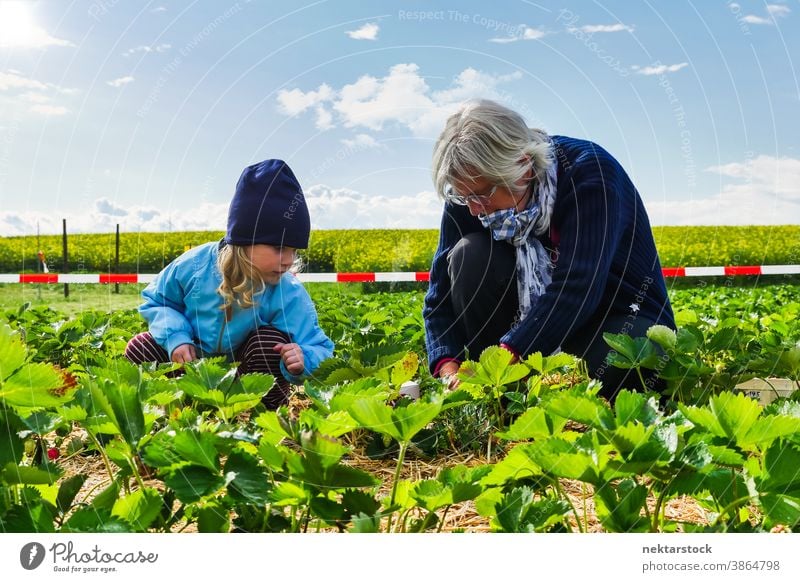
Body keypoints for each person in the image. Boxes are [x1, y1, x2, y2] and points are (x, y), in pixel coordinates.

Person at [423, 99, 675, 400]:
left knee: (625, 361)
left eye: (484, 194)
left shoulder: (590, 172)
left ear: (524, 167)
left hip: (611, 315)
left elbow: (578, 288)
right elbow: (439, 297)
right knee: (470, 253)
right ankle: (503, 390)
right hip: (521, 333)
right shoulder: (469, 191)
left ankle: (510, 376)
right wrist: (449, 369)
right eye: (465, 197)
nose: (475, 209)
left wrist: (504, 360)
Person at [125, 159, 334, 409]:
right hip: (191, 366)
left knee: (269, 344)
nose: (289, 261)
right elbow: (158, 301)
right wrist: (177, 338)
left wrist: (304, 358)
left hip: (245, 379)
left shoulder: (287, 291)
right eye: (279, 248)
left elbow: (317, 345)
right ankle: (171, 409)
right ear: (245, 239)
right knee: (140, 348)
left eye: (294, 251)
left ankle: (265, 416)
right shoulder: (193, 266)